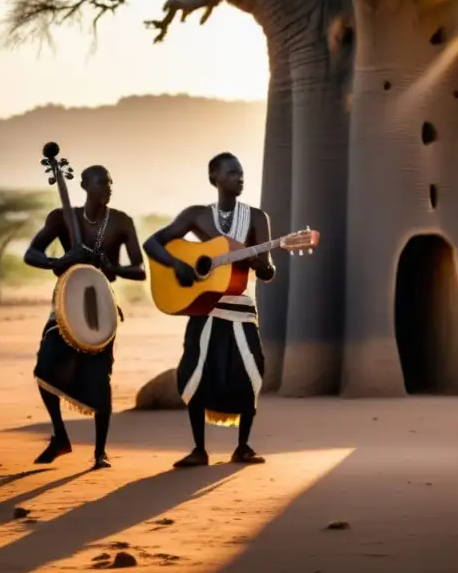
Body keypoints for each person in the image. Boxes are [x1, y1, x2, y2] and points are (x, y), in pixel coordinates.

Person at [143, 152, 275, 468]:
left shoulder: (257, 218)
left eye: (242, 173)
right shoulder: (196, 215)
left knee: (249, 373)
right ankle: (198, 449)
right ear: (213, 177)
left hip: (240, 309)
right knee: (196, 373)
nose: (239, 178)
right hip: (204, 309)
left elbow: (269, 272)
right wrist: (178, 266)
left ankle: (243, 445)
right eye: (231, 172)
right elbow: (153, 243)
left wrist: (261, 263)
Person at [24, 165, 146, 470]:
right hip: (65, 303)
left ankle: (100, 453)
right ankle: (60, 436)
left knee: (100, 376)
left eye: (110, 181)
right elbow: (32, 253)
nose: (108, 186)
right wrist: (59, 260)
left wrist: (111, 266)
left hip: (102, 306)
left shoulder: (120, 221)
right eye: (102, 181)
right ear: (83, 185)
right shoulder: (61, 217)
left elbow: (139, 269)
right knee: (45, 367)